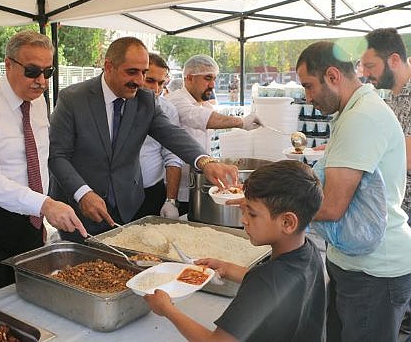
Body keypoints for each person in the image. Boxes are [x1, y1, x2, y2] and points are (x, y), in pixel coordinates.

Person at [49, 37, 239, 242]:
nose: (140, 81)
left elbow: (171, 134)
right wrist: (83, 193)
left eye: (144, 72)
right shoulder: (73, 99)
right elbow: (58, 156)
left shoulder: (144, 99)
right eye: (132, 72)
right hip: (79, 208)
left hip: (127, 206)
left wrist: (206, 161)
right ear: (108, 66)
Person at [0, 30, 87, 297]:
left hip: (27, 214)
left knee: (27, 292)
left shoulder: (38, 103)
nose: (41, 81)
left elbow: (39, 158)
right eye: (32, 71)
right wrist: (45, 204)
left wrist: (41, 209)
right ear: (8, 64)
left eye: (47, 73)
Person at [297, 41, 411, 342]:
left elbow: (333, 206)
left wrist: (276, 208)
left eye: (309, 87)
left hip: (373, 271)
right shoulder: (352, 111)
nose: (308, 98)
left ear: (333, 76)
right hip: (353, 264)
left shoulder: (361, 118)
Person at [145, 160, 326, 342]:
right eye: (243, 209)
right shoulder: (309, 251)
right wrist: (227, 268)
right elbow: (278, 286)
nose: (244, 220)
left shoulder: (265, 280)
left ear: (287, 222)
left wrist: (167, 309)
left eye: (252, 213)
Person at [362, 27, 411, 338]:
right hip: (394, 210)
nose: (366, 75)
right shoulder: (391, 98)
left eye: (371, 67)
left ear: (394, 59)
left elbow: (405, 158)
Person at [166, 55, 262, 212]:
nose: (212, 85)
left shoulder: (205, 105)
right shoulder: (176, 100)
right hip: (178, 186)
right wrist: (242, 122)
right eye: (207, 78)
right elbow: (200, 118)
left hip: (200, 182)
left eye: (214, 79)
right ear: (189, 78)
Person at [136, 53, 183, 219]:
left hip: (151, 193)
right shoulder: (115, 106)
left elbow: (172, 155)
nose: (156, 89)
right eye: (150, 81)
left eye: (161, 83)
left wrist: (171, 200)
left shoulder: (168, 110)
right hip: (112, 194)